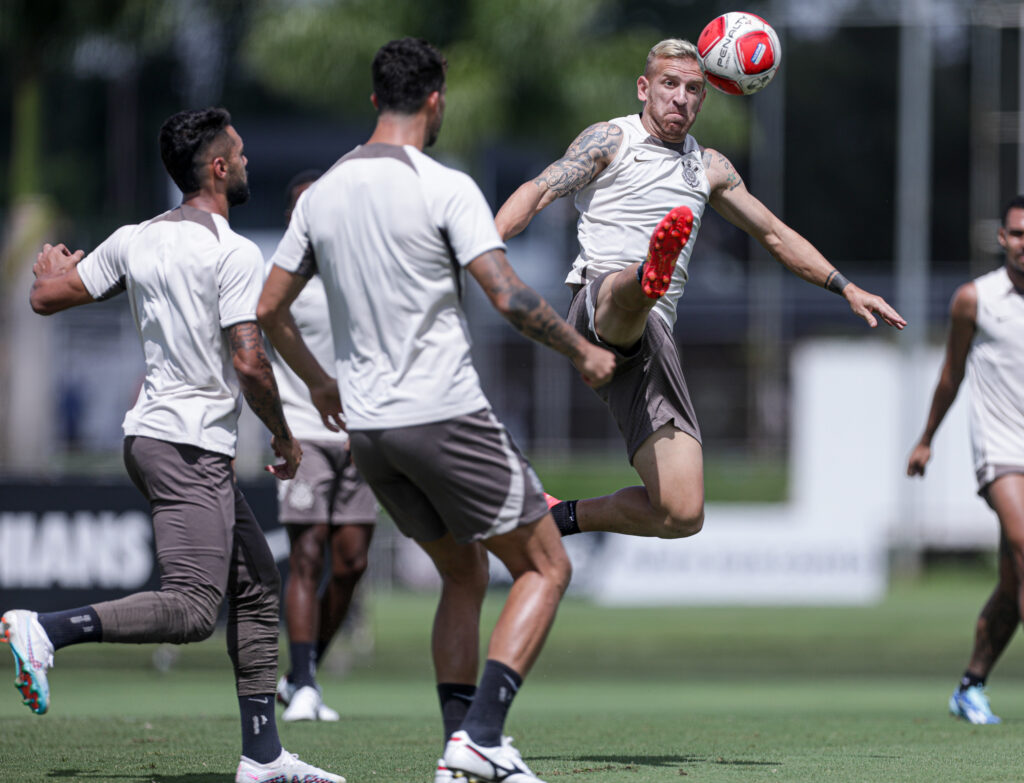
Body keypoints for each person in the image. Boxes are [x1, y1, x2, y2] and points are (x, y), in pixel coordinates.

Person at [258, 37, 615, 783]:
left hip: (372, 431)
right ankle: (483, 732)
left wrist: (321, 385)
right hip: (443, 413)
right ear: (435, 101)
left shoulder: (321, 192)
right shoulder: (443, 185)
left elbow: (269, 310)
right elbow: (509, 295)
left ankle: (459, 753)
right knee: (546, 565)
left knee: (461, 571)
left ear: (372, 100)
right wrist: (583, 354)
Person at [5, 108, 343, 783]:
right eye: (239, 153)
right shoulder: (233, 251)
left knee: (254, 585)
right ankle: (45, 628)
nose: (246, 162)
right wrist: (282, 431)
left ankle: (263, 755)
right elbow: (250, 361)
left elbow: (45, 296)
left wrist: (52, 265)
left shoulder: (136, 238)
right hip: (185, 442)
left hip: (155, 436)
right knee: (192, 607)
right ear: (217, 168)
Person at [495, 38, 906, 541]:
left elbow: (774, 234)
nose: (681, 98)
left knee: (681, 515)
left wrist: (846, 287)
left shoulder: (710, 168)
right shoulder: (609, 140)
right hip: (596, 306)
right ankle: (649, 272)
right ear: (644, 88)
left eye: (693, 89)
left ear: (704, 98)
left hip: (652, 344)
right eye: (670, 85)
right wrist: (485, 243)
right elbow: (539, 190)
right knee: (631, 292)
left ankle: (554, 515)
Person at [907, 195, 1024, 726]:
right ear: (1002, 238)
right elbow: (951, 375)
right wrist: (926, 437)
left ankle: (970, 685)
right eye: (1018, 234)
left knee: (1012, 583)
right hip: (1001, 452)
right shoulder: (975, 299)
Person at [268, 169, 377, 723]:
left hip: (360, 437)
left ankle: (298, 678)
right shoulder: (279, 280)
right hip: (305, 436)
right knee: (308, 554)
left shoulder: (360, 274)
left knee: (353, 561)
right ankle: (307, 680)